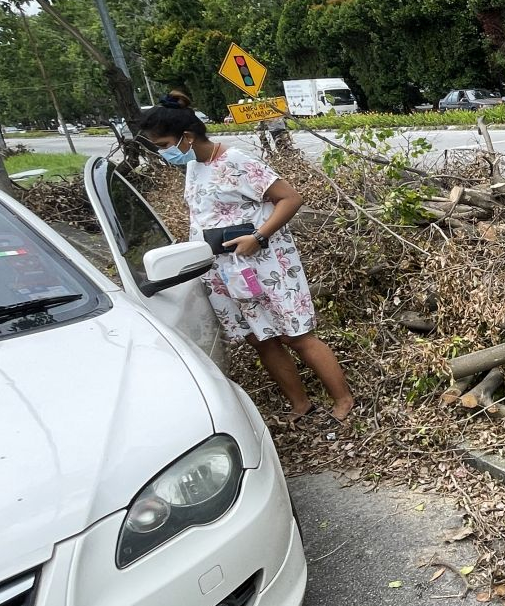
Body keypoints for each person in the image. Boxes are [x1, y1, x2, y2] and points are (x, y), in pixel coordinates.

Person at [138, 103, 355, 423]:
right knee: (260, 338)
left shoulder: (236, 162)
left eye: (165, 146)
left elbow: (290, 198)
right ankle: (300, 404)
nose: (163, 154)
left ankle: (344, 399)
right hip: (226, 273)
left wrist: (259, 236)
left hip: (266, 266)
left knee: (297, 335)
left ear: (186, 137)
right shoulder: (195, 166)